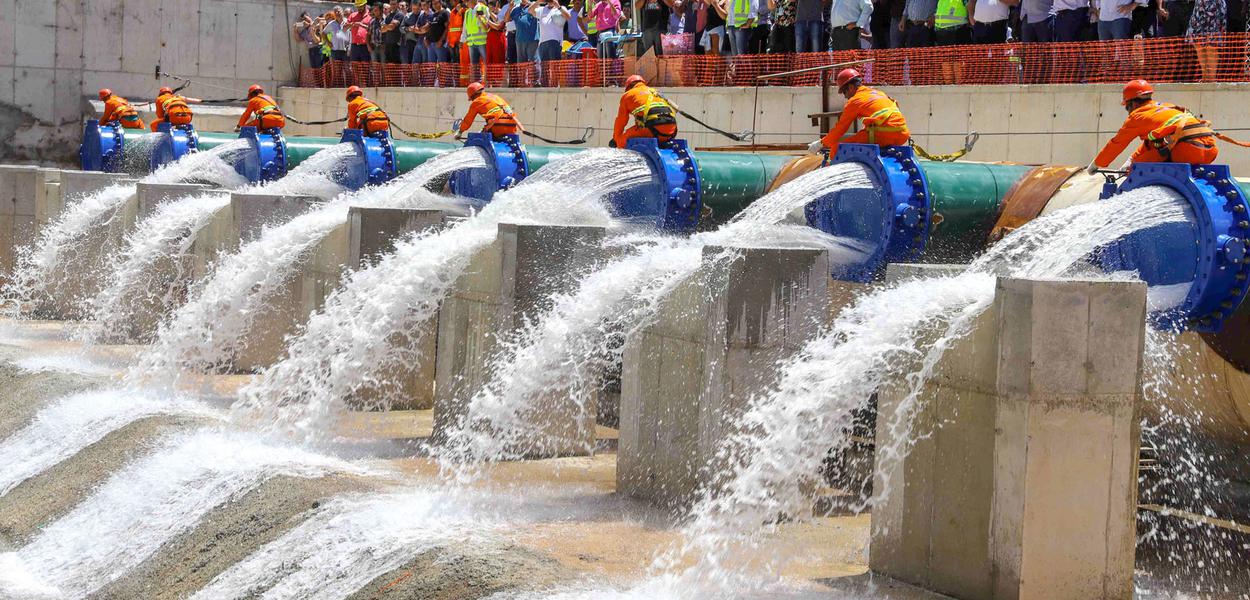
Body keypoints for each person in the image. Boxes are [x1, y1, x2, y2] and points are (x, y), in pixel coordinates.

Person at [1088, 79, 1218, 172]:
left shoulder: (1137, 116)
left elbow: (1117, 144)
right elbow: (1153, 142)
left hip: (1187, 151)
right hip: (1210, 149)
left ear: (1131, 104)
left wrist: (1097, 164)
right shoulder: (1168, 106)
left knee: (1137, 169)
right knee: (1141, 159)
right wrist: (1132, 158)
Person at [807, 68, 910, 156]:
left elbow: (840, 129)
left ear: (851, 87)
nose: (845, 96)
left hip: (883, 135)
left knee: (837, 149)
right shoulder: (878, 93)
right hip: (903, 134)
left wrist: (821, 143)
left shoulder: (855, 101)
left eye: (844, 92)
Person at [612, 75, 678, 148]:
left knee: (621, 141)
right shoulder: (655, 91)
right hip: (672, 131)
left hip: (652, 130)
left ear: (629, 87)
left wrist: (616, 139)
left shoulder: (628, 95)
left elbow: (621, 121)